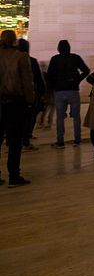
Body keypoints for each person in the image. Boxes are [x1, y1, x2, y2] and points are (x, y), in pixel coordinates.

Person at [0, 30, 34, 187]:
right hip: (16, 102)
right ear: (14, 41)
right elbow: (27, 82)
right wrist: (30, 101)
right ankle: (14, 175)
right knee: (15, 141)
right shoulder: (21, 57)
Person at [46, 39, 90, 147]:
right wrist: (77, 80)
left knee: (60, 117)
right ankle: (77, 140)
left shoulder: (55, 59)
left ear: (58, 49)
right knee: (76, 117)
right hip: (73, 90)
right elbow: (86, 70)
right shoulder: (75, 58)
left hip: (60, 91)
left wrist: (53, 86)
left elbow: (50, 75)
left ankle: (60, 141)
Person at [17, 39, 44, 151]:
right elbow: (38, 79)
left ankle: (12, 140)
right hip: (29, 94)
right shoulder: (31, 61)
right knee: (29, 118)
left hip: (15, 94)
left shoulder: (11, 60)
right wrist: (42, 92)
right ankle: (25, 140)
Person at [38, 61, 55, 129]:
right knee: (52, 108)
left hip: (47, 92)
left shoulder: (44, 74)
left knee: (45, 108)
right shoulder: (53, 74)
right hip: (53, 92)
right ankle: (49, 122)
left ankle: (42, 122)